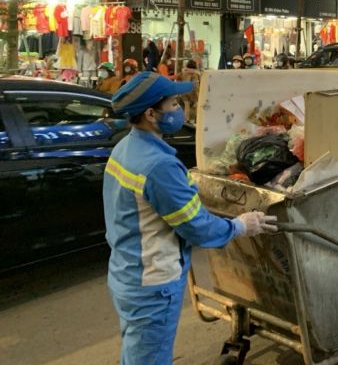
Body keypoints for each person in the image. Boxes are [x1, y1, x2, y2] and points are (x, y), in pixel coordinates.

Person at [104, 72, 277, 364]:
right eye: (173, 104)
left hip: (127, 272)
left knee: (137, 352)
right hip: (154, 283)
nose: (180, 111)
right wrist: (241, 225)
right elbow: (198, 228)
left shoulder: (126, 148)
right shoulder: (159, 166)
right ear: (150, 114)